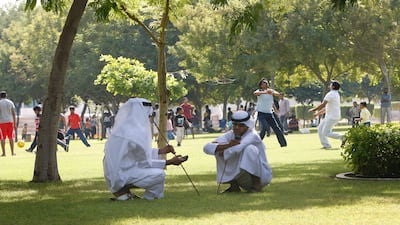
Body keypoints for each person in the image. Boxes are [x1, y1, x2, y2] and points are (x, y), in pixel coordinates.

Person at [103, 98, 187, 200]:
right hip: (122, 175)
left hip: (112, 175)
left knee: (146, 171)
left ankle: (124, 194)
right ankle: (150, 198)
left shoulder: (121, 130)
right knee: (159, 175)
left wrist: (161, 151)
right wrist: (170, 162)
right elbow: (144, 162)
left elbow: (135, 154)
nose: (150, 117)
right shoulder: (135, 133)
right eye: (149, 114)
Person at [203, 111, 272, 193]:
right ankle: (234, 186)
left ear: (247, 126)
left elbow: (238, 148)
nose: (237, 127)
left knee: (250, 149)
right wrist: (226, 145)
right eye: (235, 124)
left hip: (261, 176)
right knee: (219, 152)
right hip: (241, 177)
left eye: (241, 125)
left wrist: (224, 151)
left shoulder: (252, 135)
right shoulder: (230, 134)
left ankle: (256, 184)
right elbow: (207, 147)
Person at [308, 80, 345, 149]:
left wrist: (314, 109)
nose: (330, 85)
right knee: (320, 129)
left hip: (332, 117)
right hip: (330, 116)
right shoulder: (335, 94)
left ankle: (343, 137)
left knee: (326, 133)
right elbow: (326, 107)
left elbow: (323, 104)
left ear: (333, 86)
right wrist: (318, 114)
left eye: (331, 84)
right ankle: (326, 145)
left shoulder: (331, 94)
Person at [253, 78, 287, 147]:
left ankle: (283, 144)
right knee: (265, 128)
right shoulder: (259, 91)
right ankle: (257, 143)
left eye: (266, 83)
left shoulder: (270, 91)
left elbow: (277, 94)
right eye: (264, 83)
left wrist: (272, 93)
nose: (266, 84)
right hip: (261, 113)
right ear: (261, 85)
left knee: (277, 128)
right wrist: (265, 92)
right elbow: (255, 93)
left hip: (269, 113)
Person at [0, 91, 16, 156]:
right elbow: (13, 113)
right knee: (11, 137)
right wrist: (14, 123)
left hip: (2, 122)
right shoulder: (10, 102)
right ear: (6, 96)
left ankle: (4, 153)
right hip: (10, 121)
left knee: (2, 138)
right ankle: (12, 152)